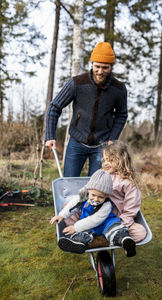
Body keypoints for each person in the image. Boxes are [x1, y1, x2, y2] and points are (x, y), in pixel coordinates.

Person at [45, 42, 128, 177]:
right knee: (69, 184)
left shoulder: (118, 89)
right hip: (76, 143)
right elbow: (55, 107)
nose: (100, 71)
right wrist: (50, 136)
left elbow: (121, 115)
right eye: (97, 66)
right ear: (92, 64)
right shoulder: (77, 83)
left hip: (102, 146)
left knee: (97, 187)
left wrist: (113, 138)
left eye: (105, 68)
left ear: (111, 67)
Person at [50, 169, 136, 256]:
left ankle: (125, 241)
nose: (96, 199)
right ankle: (78, 243)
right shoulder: (84, 195)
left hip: (105, 223)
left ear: (107, 196)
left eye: (101, 197)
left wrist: (75, 227)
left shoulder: (106, 205)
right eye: (93, 195)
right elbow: (73, 204)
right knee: (83, 233)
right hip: (87, 224)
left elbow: (94, 220)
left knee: (115, 228)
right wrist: (61, 215)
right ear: (89, 190)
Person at [102, 141, 147, 242]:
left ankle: (111, 237)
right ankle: (82, 234)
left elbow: (131, 208)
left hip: (118, 219)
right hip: (99, 215)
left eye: (110, 160)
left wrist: (120, 223)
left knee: (140, 232)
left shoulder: (128, 183)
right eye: (104, 160)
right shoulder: (103, 176)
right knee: (69, 209)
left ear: (121, 160)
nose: (105, 163)